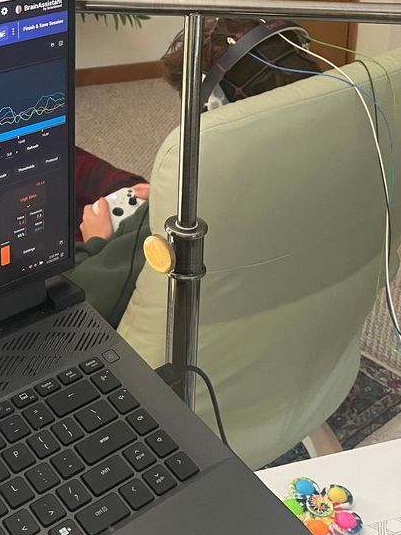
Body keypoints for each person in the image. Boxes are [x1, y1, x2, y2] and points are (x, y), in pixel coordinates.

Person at [68, 18, 325, 325]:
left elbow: (78, 306)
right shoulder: (346, 172)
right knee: (121, 183)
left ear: (212, 108)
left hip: (145, 350)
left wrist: (98, 243)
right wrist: (162, 194)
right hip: (295, 342)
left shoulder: (183, 223)